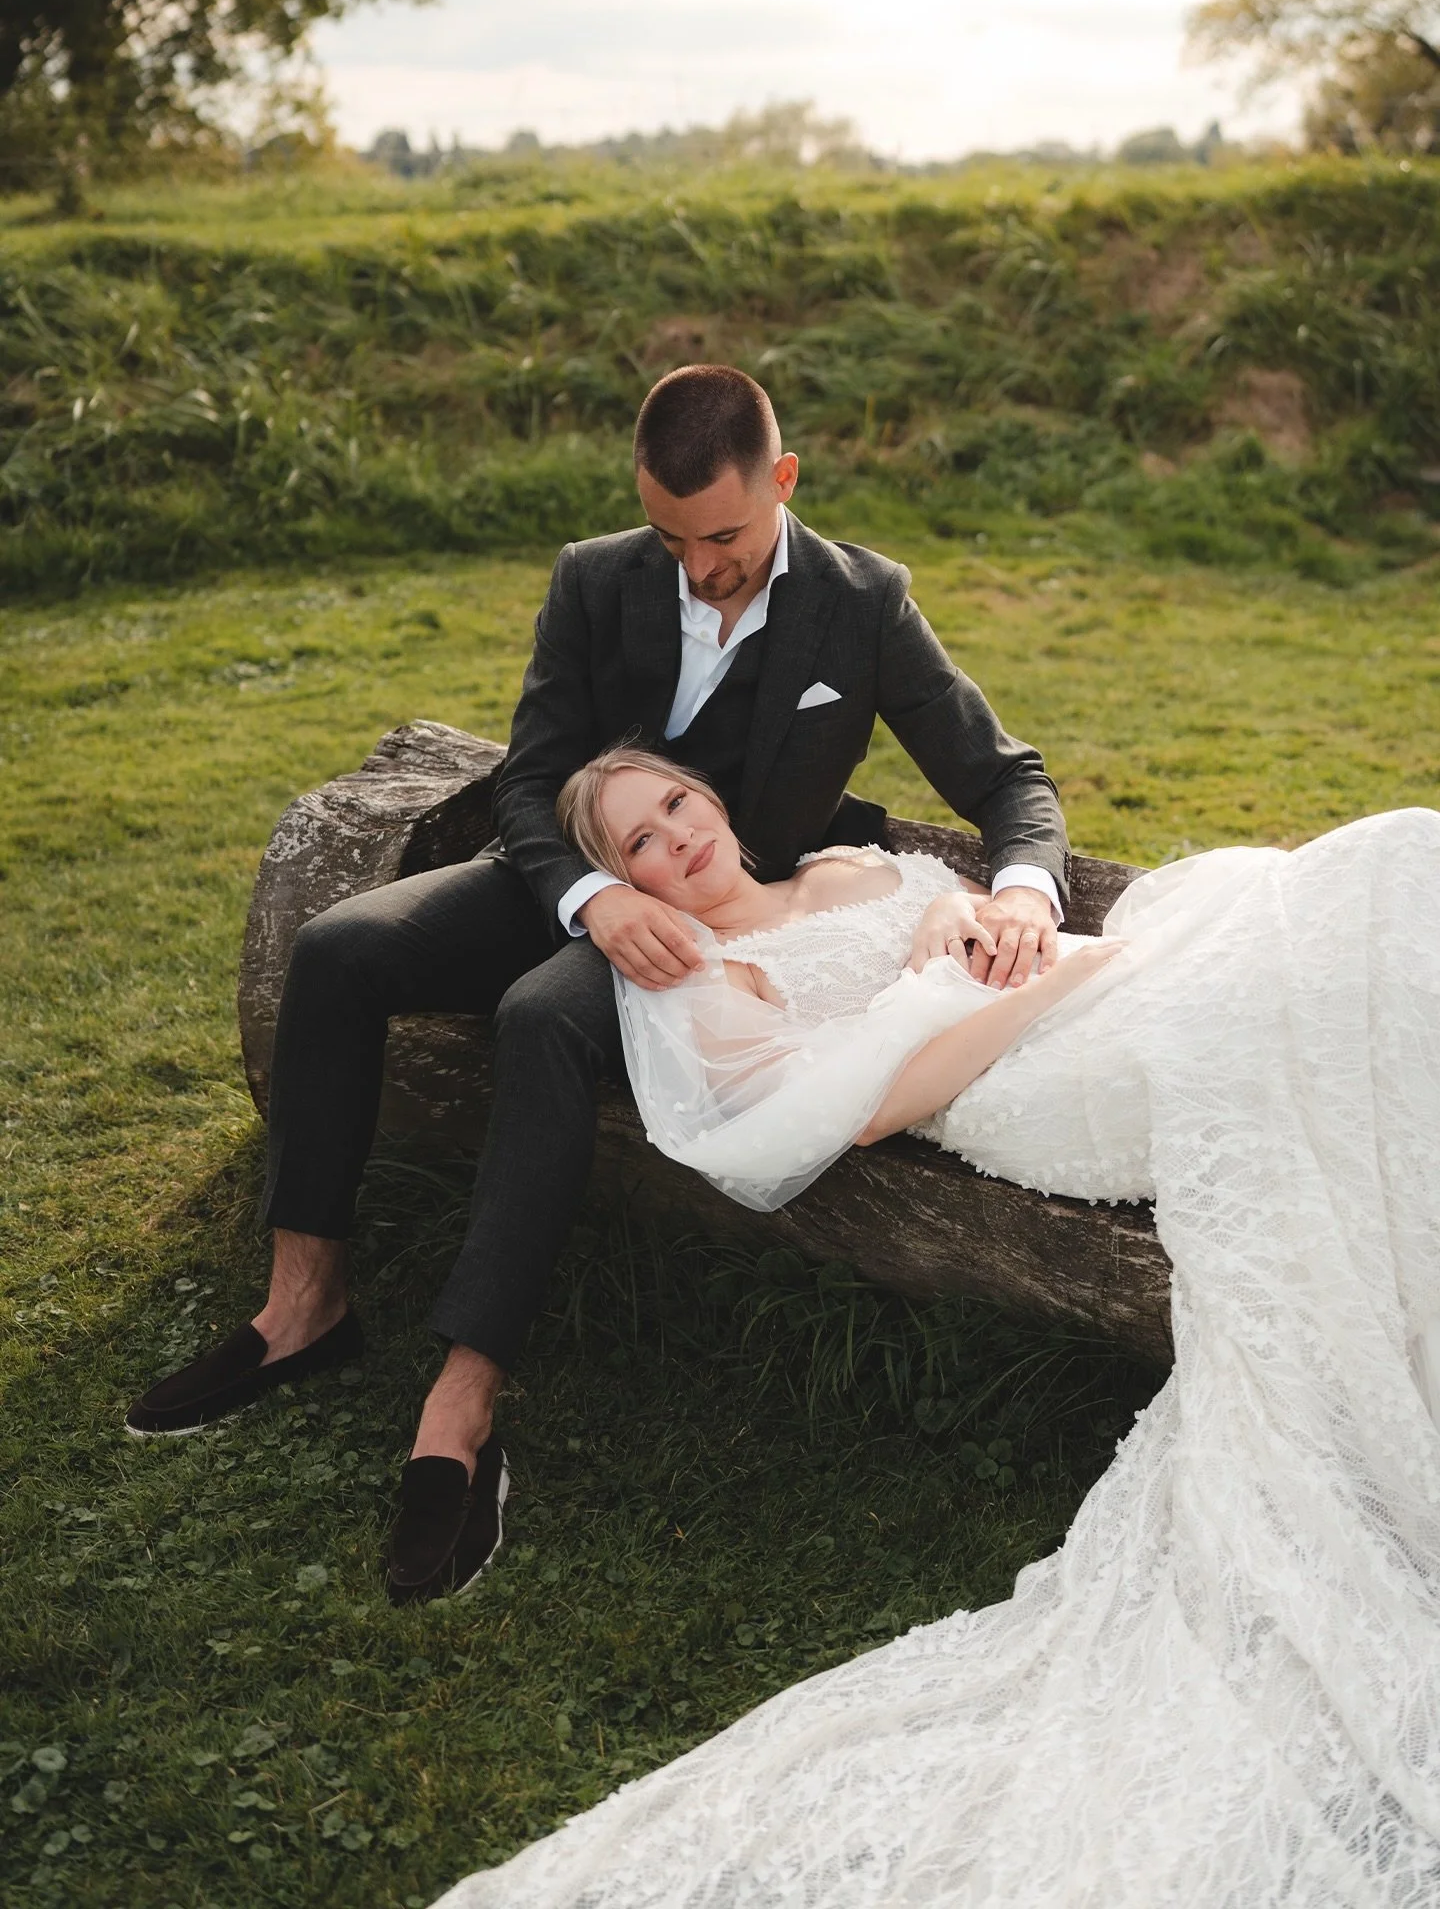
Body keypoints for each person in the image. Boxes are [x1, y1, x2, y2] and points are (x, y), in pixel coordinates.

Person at [122, 364, 1070, 1605]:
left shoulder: (865, 607)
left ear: (782, 484)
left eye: (723, 536)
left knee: (542, 1022)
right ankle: (304, 1305)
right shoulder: (593, 577)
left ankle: (461, 1407)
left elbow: (1009, 782)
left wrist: (1020, 893)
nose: (696, 565)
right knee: (340, 950)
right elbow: (531, 780)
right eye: (671, 536)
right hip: (572, 878)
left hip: (718, 926)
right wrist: (591, 895)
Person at [428, 754, 1440, 1908]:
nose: (676, 838)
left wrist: (968, 911)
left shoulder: (849, 865)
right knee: (1316, 979)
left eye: (675, 803)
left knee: (1391, 859)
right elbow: (856, 1116)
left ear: (708, 794)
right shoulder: (712, 978)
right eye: (640, 845)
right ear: (624, 883)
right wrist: (1038, 987)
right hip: (1029, 1073)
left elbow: (972, 902)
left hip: (1090, 987)